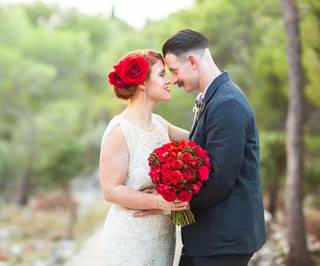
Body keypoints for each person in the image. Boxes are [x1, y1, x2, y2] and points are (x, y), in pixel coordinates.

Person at [161, 29, 266, 266]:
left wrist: (174, 205)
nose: (173, 79)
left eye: (175, 70)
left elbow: (220, 178)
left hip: (223, 241)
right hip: (211, 238)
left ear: (192, 61)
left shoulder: (226, 103)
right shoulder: (214, 99)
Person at [99, 49, 189, 265]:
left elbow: (198, 142)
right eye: (161, 74)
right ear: (142, 83)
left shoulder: (160, 124)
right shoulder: (120, 130)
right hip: (129, 240)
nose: (168, 80)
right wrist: (160, 201)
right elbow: (111, 190)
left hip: (161, 238)